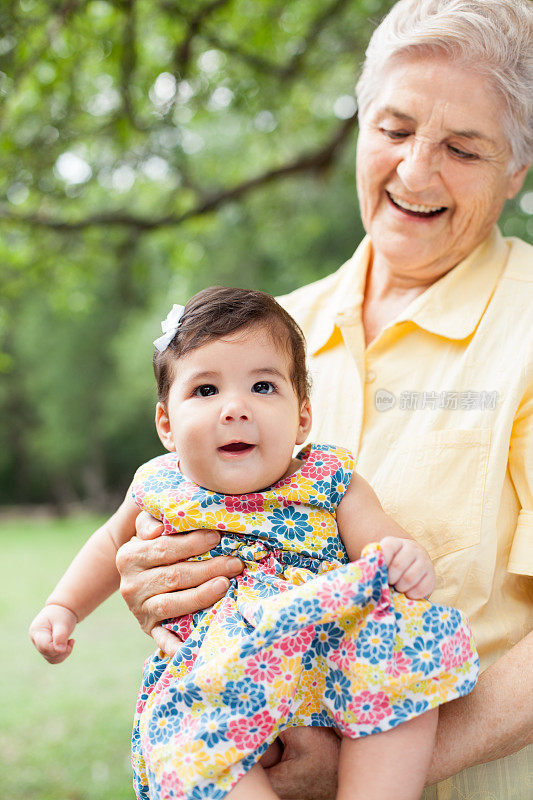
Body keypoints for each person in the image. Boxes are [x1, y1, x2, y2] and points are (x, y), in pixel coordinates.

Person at [114, 1, 533, 799]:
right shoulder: (268, 340)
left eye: (462, 147)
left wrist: (359, 769)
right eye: (394, 128)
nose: (414, 170)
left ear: (515, 171)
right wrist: (157, 581)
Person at [29, 286, 479, 800]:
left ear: (302, 418)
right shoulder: (159, 486)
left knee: (403, 656)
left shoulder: (327, 476)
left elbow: (378, 535)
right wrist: (63, 606)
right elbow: (110, 541)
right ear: (166, 425)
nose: (235, 408)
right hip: (226, 676)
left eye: (263, 387)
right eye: (205, 391)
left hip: (332, 651)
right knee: (196, 742)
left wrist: (402, 555)